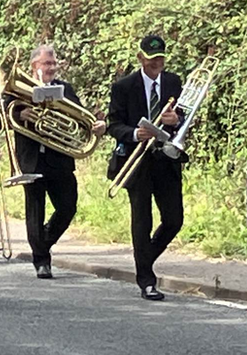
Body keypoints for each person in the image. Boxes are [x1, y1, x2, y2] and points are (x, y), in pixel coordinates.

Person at [13, 45, 106, 278]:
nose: (52, 67)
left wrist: (97, 126)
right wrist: (19, 114)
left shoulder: (66, 89)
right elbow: (3, 110)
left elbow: (83, 119)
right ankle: (42, 261)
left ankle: (42, 242)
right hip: (32, 158)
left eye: (54, 64)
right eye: (48, 63)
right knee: (35, 211)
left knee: (67, 207)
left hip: (59, 159)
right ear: (35, 65)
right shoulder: (19, 89)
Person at [106, 34, 183, 301]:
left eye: (161, 58)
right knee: (142, 219)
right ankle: (146, 280)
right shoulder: (123, 87)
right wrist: (133, 133)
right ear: (140, 58)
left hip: (166, 158)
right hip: (137, 160)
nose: (157, 63)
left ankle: (144, 259)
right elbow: (113, 124)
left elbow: (183, 119)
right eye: (151, 59)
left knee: (174, 219)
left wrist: (176, 120)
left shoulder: (173, 82)